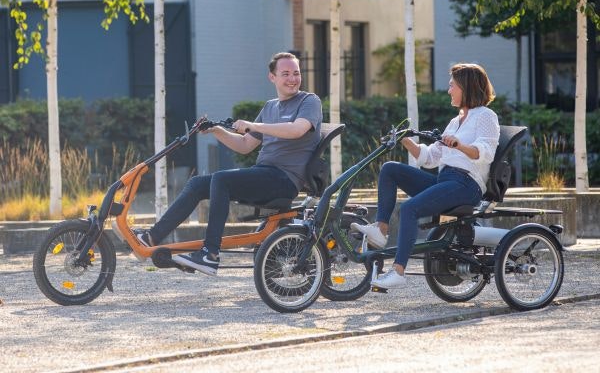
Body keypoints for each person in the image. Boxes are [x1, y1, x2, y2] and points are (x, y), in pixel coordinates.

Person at [136, 52, 322, 276]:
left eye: (296, 73)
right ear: (272, 77)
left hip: (285, 180)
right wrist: (217, 131)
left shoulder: (309, 101)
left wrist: (256, 125)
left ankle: (210, 254)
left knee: (222, 179)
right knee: (197, 184)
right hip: (264, 174)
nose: (292, 79)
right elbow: (245, 145)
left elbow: (296, 130)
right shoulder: (271, 107)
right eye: (285, 74)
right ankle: (152, 237)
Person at [352, 63, 500, 289]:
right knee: (390, 169)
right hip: (445, 180)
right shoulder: (455, 121)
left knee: (410, 208)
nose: (449, 90)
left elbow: (486, 152)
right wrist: (406, 140)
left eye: (453, 86)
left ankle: (398, 272)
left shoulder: (486, 116)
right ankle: (380, 229)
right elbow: (430, 157)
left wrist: (460, 145)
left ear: (467, 87)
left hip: (466, 184)